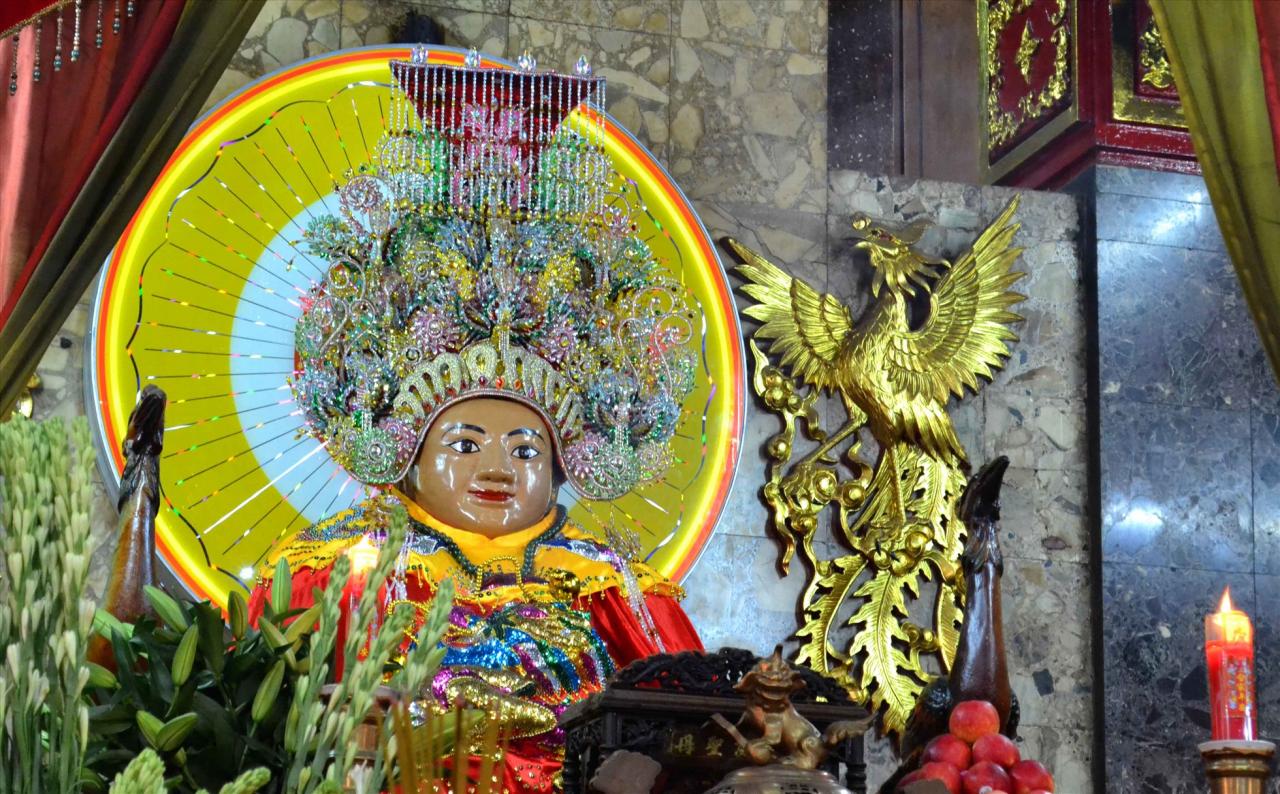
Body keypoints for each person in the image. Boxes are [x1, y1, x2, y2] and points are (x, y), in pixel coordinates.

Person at [247, 51, 703, 792]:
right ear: (405, 449)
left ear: (563, 463)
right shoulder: (337, 574)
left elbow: (695, 741)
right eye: (464, 443)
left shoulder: (615, 589)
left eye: (525, 449)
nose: (497, 467)